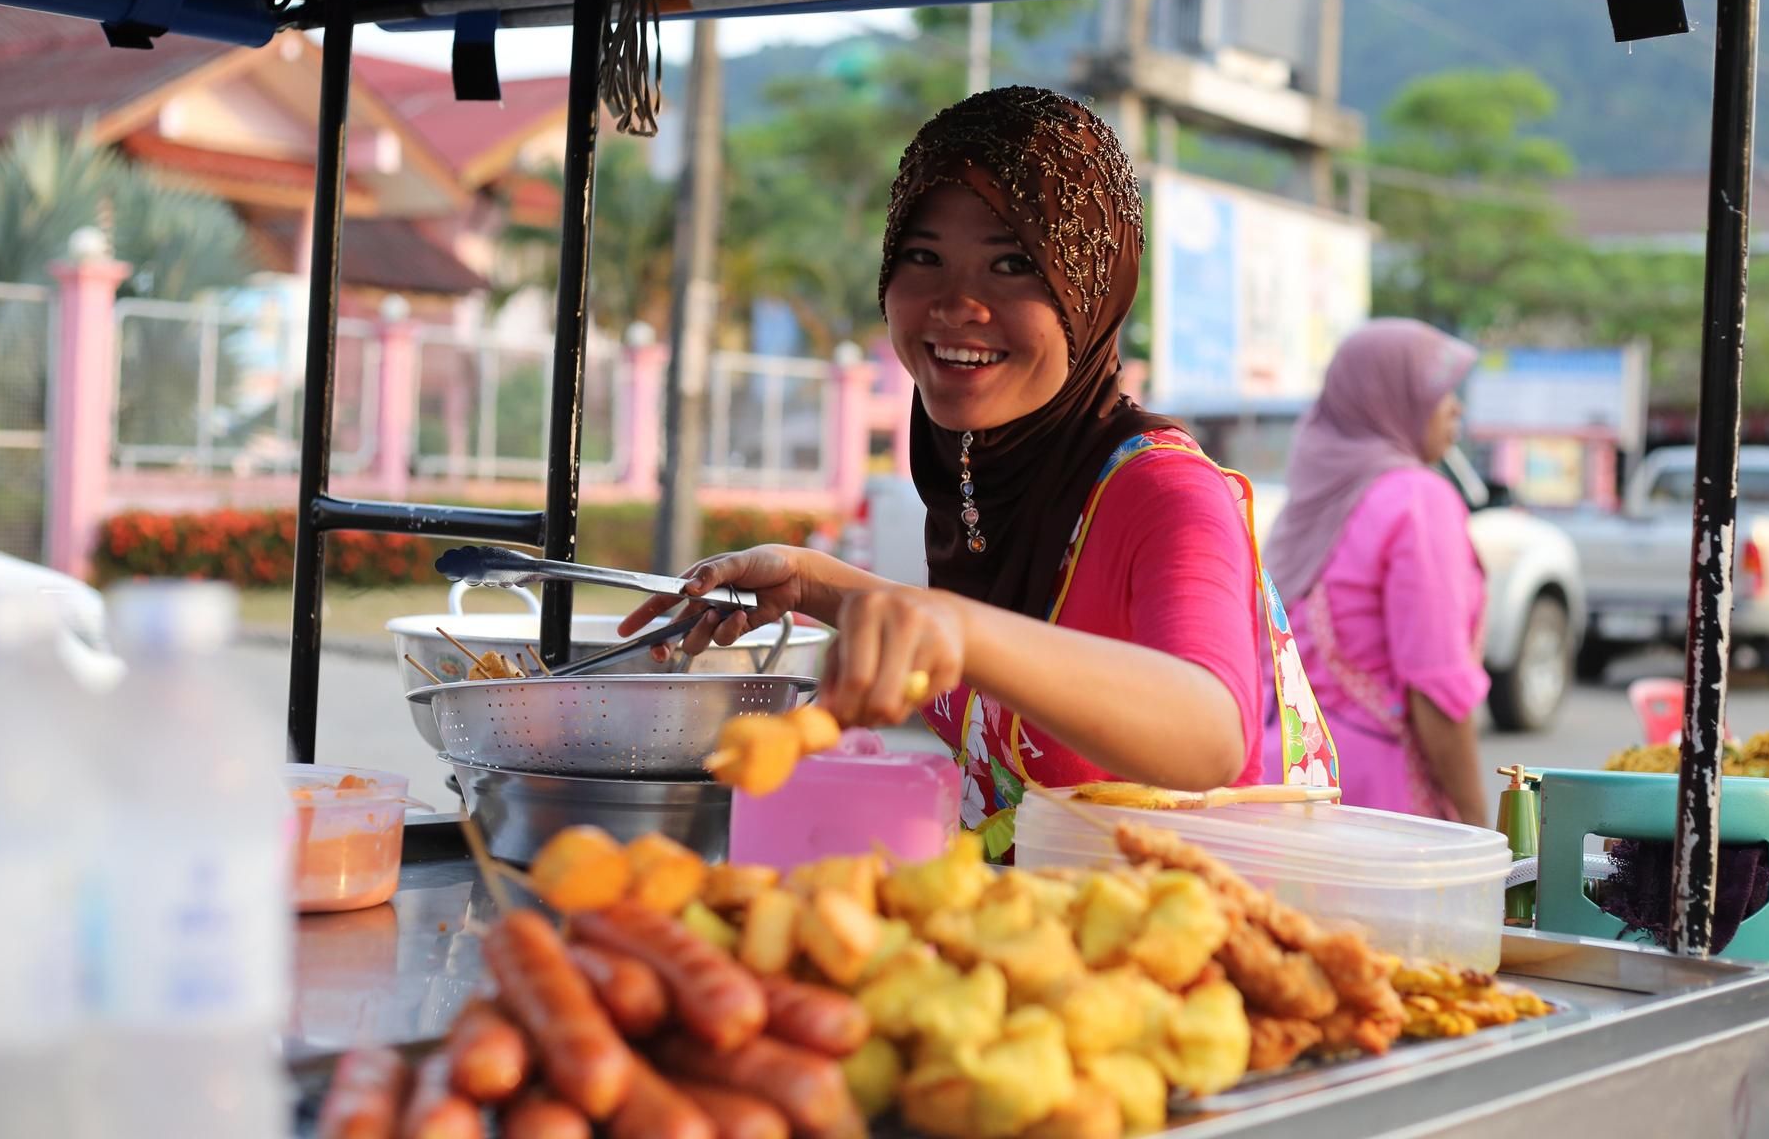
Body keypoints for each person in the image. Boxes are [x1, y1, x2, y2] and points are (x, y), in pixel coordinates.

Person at [622, 86, 1282, 852]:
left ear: (1091, 290)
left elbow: (1213, 731)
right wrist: (807, 582)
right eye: (923, 257)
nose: (957, 303)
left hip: (1176, 922)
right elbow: (962, 644)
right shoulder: (978, 463)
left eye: (1012, 263)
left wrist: (961, 628)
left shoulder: (1165, 490)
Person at [1263, 319, 1489, 826]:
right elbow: (1434, 687)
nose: (1456, 407)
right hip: (1378, 804)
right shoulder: (1417, 499)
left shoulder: (1312, 504)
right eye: (1440, 391)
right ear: (1390, 399)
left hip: (1278, 787)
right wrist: (1481, 829)